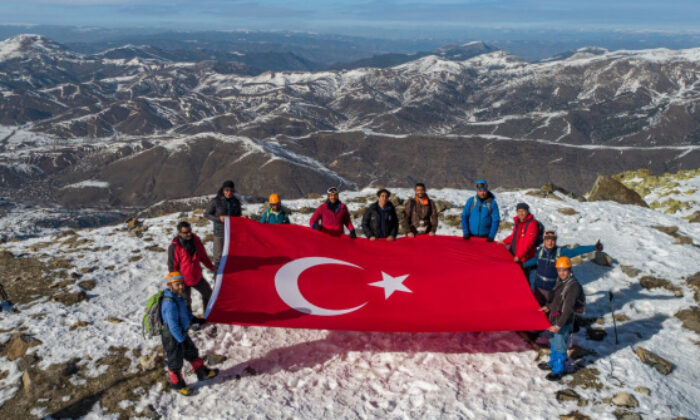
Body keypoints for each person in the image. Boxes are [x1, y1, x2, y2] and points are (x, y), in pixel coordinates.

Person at [161, 272, 218, 396]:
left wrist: (195, 319)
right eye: (177, 284)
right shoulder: (169, 302)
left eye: (181, 283)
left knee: (192, 352)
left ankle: (202, 373)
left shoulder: (179, 298)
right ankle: (178, 385)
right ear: (170, 285)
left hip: (181, 333)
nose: (181, 286)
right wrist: (181, 340)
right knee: (175, 361)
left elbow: (185, 314)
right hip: (172, 336)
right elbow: (172, 325)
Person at [524, 230, 603, 305]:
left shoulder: (560, 252)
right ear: (544, 241)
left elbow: (576, 251)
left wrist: (593, 247)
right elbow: (533, 261)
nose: (550, 242)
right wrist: (522, 265)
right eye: (547, 240)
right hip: (538, 288)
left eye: (552, 240)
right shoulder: (540, 252)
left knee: (549, 310)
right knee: (537, 308)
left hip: (551, 289)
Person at [538, 257, 584, 381]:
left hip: (563, 322)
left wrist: (558, 325)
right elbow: (557, 300)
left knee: (560, 346)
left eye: (564, 270)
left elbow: (568, 308)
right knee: (553, 342)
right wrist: (548, 307)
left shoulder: (573, 286)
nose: (562, 272)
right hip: (555, 318)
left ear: (569, 270)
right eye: (559, 270)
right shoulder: (561, 281)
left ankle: (558, 370)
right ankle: (552, 363)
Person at [168, 221, 216, 314]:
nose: (189, 234)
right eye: (186, 232)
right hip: (183, 281)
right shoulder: (174, 247)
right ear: (179, 233)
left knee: (208, 294)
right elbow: (172, 267)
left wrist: (211, 267)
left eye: (190, 231)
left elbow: (203, 257)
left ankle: (207, 315)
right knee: (186, 302)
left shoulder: (196, 241)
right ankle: (188, 321)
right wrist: (175, 283)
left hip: (197, 276)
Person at [205, 180, 242, 267]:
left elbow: (238, 216)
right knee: (218, 256)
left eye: (231, 190)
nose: (229, 192)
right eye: (227, 190)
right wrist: (218, 219)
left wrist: (241, 219)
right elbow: (207, 214)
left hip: (232, 233)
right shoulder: (215, 201)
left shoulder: (236, 202)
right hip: (219, 232)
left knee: (231, 255)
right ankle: (218, 276)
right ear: (223, 190)